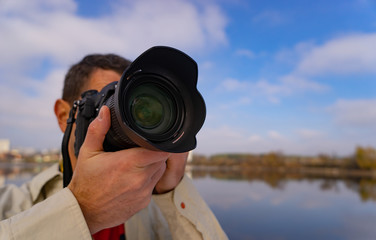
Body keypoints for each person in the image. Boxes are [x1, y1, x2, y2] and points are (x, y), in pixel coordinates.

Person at [0, 54, 228, 239]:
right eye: (104, 104)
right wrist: (83, 210)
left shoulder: (156, 209)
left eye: (127, 106)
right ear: (63, 115)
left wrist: (171, 192)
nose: (127, 124)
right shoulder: (9, 204)